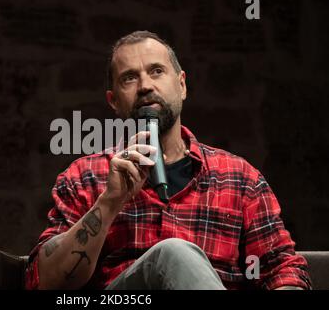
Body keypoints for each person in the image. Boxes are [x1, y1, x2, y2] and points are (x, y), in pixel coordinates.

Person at [25, 31, 312, 290]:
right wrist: (110, 201)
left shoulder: (239, 178)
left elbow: (283, 271)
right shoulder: (85, 176)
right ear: (114, 102)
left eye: (157, 71)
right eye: (129, 78)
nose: (145, 86)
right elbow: (45, 282)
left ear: (182, 85)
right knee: (172, 253)